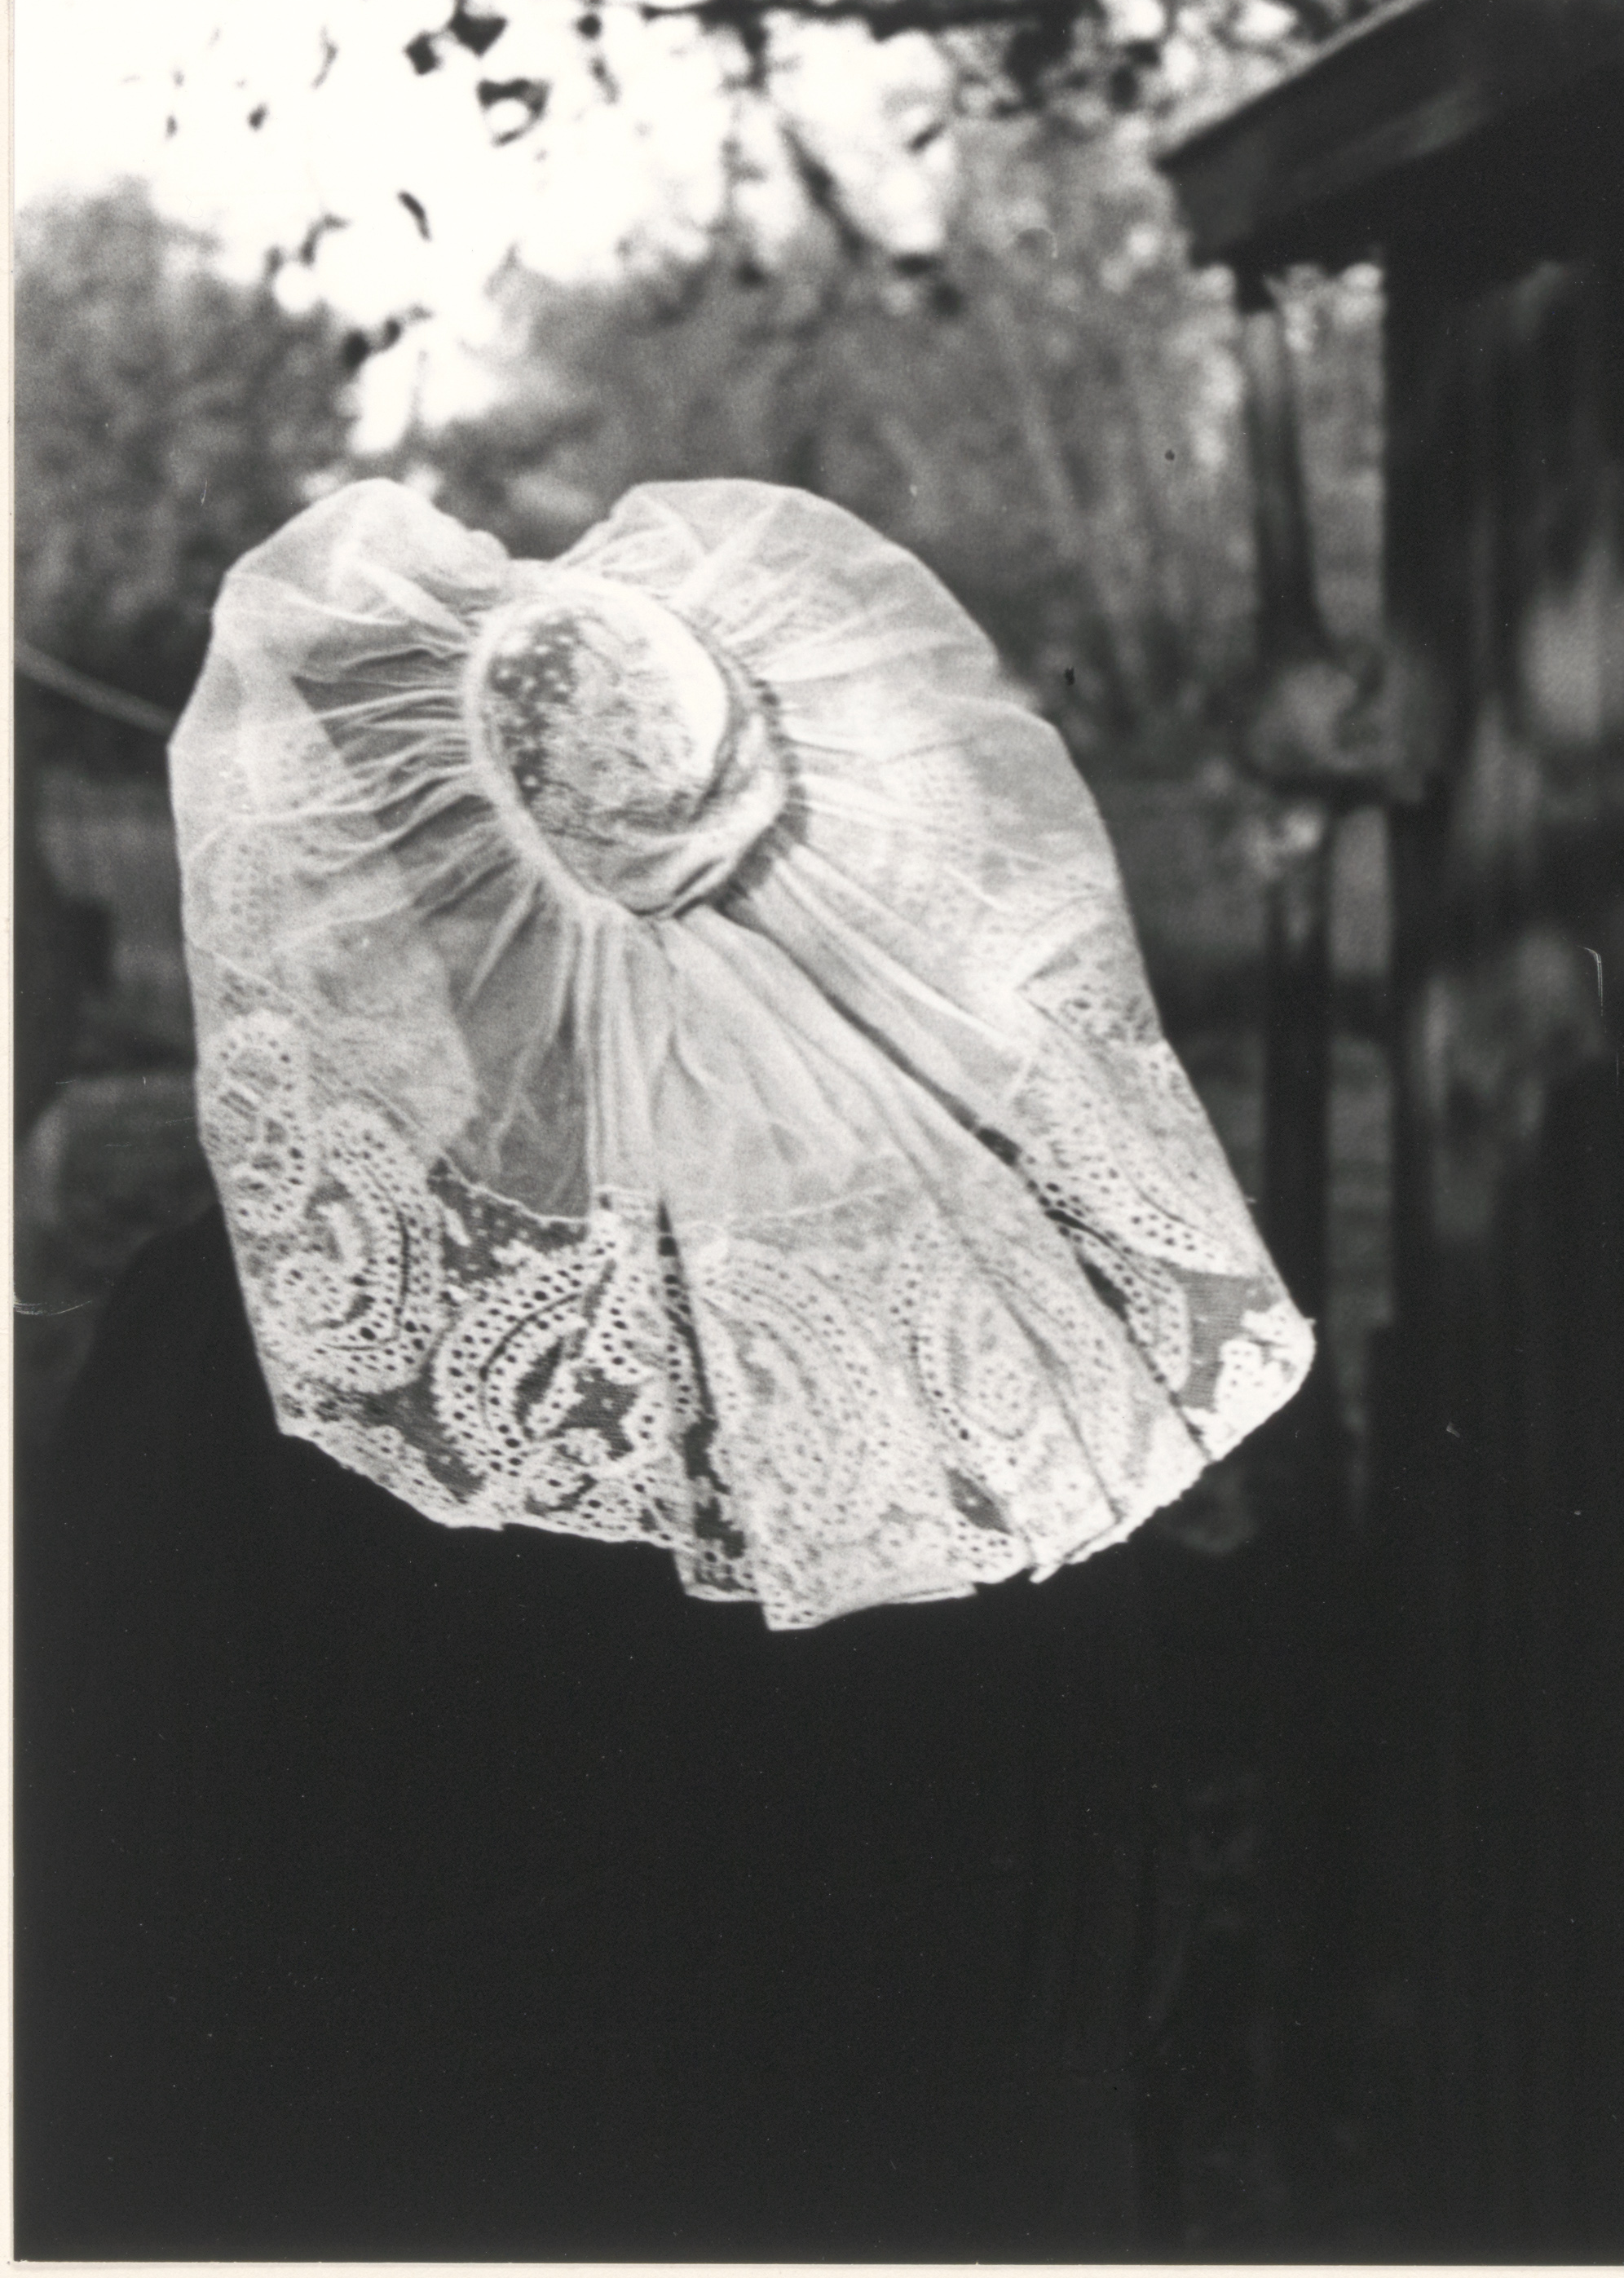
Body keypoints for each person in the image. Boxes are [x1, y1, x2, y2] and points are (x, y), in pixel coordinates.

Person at [15, 478, 1312, 2258]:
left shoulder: (281, 1329)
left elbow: (89, 1991)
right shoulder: (994, 1337)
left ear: (404, 899)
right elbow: (1119, 1955)